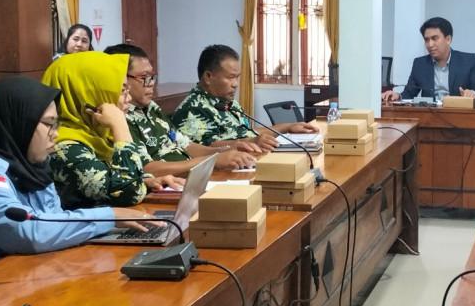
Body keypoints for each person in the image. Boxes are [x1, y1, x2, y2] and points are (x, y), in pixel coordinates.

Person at [0, 77, 161, 275]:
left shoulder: (31, 166)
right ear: (17, 122)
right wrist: (109, 217)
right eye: (49, 124)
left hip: (30, 272)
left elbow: (53, 219)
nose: (55, 134)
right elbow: (28, 232)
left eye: (57, 125)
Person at [43, 51, 183, 210]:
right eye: (122, 91)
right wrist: (120, 126)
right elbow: (128, 193)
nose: (129, 99)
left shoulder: (99, 134)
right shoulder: (63, 148)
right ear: (89, 95)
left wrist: (147, 181)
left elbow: (118, 180)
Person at [103, 44, 258, 176]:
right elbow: (145, 169)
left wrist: (227, 150)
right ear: (121, 79)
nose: (151, 83)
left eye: (152, 77)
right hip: (164, 187)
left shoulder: (151, 107)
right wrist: (212, 161)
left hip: (189, 177)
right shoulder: (118, 116)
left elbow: (186, 145)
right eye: (144, 77)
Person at [172, 44, 318, 152]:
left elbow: (248, 133)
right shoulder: (192, 109)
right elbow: (204, 148)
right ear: (208, 76)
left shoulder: (227, 102)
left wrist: (288, 127)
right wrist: (252, 141)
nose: (235, 84)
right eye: (230, 77)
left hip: (247, 160)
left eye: (237, 77)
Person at [381, 17, 475, 102]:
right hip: (430, 116)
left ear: (448, 39)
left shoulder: (469, 61)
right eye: (426, 40)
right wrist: (397, 96)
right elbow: (408, 94)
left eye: (435, 38)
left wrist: (473, 93)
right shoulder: (420, 64)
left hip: (460, 116)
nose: (430, 44)